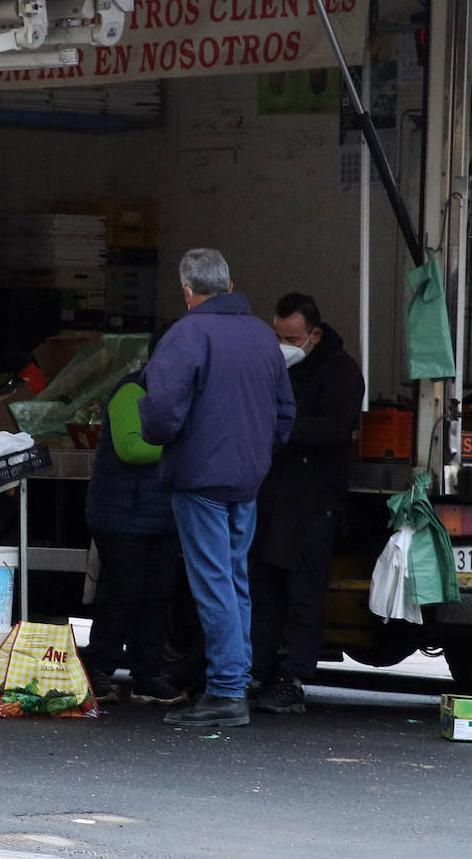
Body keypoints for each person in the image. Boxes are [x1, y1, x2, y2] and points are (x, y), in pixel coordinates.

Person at [138, 249, 295, 728]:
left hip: (201, 475)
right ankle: (236, 678)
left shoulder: (187, 333)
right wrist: (258, 456)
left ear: (188, 291)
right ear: (229, 285)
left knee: (213, 581)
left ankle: (226, 691)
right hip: (247, 478)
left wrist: (155, 434)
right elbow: (285, 412)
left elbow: (162, 410)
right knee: (234, 577)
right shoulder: (262, 337)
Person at [249, 293, 364, 714]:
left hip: (314, 499)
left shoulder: (341, 372)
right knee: (263, 591)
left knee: (303, 593)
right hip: (273, 494)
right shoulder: (273, 366)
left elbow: (335, 429)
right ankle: (257, 671)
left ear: (314, 335)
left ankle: (292, 676)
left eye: (291, 337)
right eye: (277, 336)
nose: (283, 344)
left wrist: (279, 428)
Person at [82, 334, 187, 707]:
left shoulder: (185, 395)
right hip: (119, 514)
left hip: (162, 514)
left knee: (157, 596)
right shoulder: (130, 391)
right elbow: (131, 447)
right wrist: (184, 445)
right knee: (125, 592)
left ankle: (148, 676)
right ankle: (97, 669)